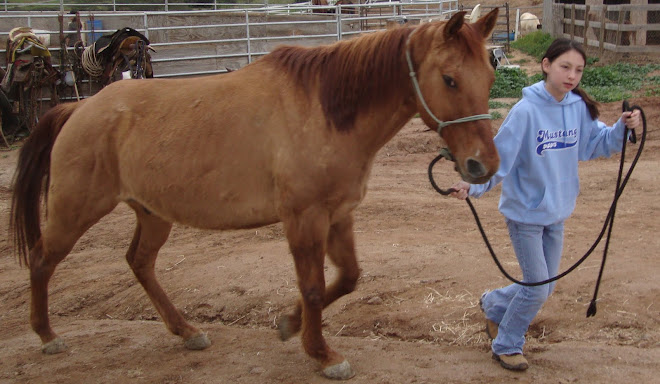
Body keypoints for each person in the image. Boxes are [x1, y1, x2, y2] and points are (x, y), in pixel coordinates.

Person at [450, 38, 641, 371]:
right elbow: (501, 158)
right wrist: (472, 184)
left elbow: (595, 144)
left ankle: (494, 305)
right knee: (537, 288)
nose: (572, 75)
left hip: (557, 212)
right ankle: (506, 343)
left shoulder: (577, 107)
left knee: (544, 286)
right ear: (546, 65)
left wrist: (624, 130)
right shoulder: (525, 111)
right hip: (525, 214)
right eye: (565, 67)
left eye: (578, 70)